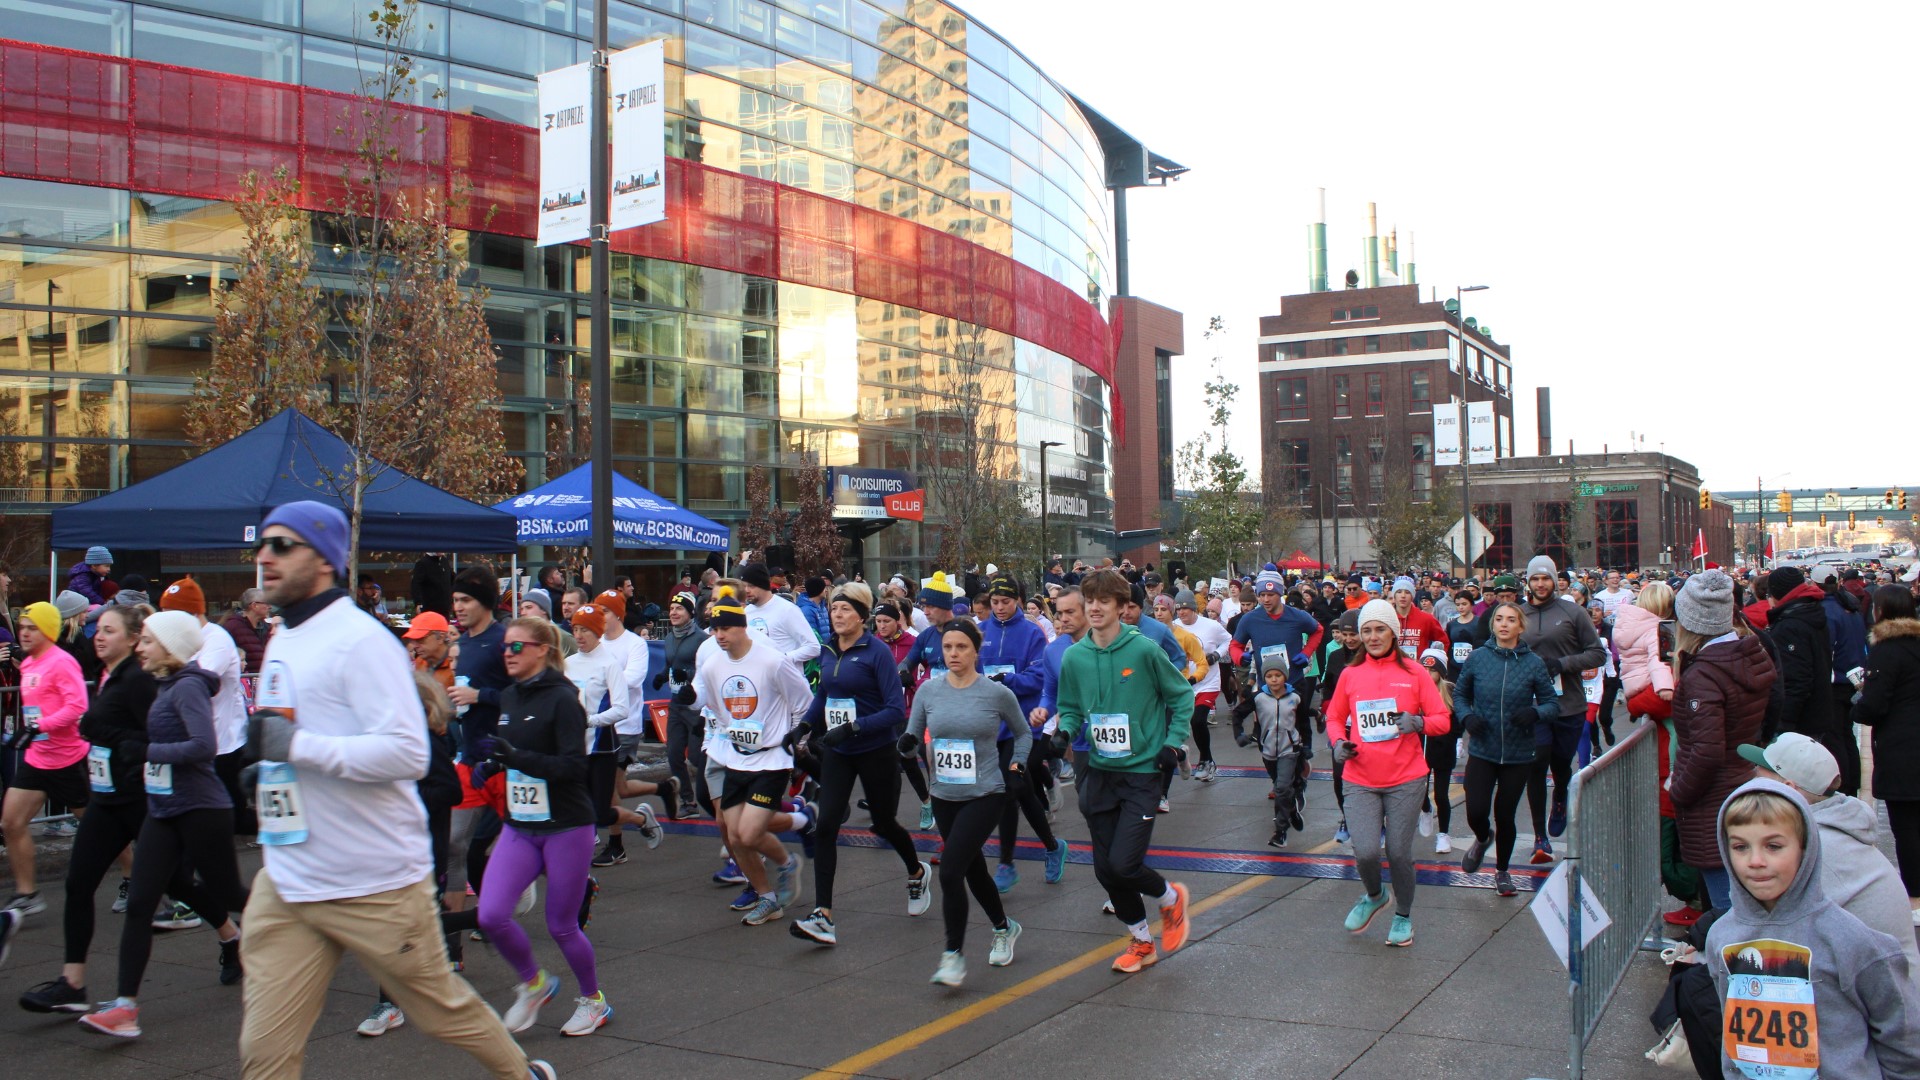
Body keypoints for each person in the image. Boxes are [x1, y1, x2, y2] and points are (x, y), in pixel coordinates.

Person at [236, 502, 552, 1080]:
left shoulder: (361, 640)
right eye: (263, 544)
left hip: (373, 880)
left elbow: (406, 752)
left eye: (283, 545)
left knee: (442, 1012)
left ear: (325, 559)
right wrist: (269, 771)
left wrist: (295, 748)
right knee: (264, 1052)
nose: (265, 557)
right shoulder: (283, 638)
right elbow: (291, 739)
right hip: (289, 879)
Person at [76, 609, 249, 1037]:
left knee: (229, 893)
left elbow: (203, 747)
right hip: (163, 809)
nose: (140, 647)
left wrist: (149, 751)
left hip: (200, 809)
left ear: (170, 647)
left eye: (148, 641)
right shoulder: (163, 684)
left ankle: (303, 913)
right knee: (140, 903)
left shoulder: (188, 686)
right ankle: (125, 1008)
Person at [1705, 780, 1920, 1079]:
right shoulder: (1721, 937)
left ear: (1805, 848)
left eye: (1774, 846)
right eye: (1740, 847)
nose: (1755, 861)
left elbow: (1903, 1036)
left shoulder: (1850, 940)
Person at [471, 617, 611, 1038]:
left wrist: (513, 757)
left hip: (566, 826)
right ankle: (534, 984)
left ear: (542, 650)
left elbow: (573, 767)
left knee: (561, 925)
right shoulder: (511, 696)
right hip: (520, 825)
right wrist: (493, 763)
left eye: (516, 647)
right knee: (491, 915)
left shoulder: (564, 700)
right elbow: (520, 754)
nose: (507, 654)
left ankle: (594, 1001)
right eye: (505, 647)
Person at [1050, 568, 1193, 974]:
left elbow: (1181, 696)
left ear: (1121, 607)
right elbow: (1072, 708)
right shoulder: (1075, 657)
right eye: (1089, 601)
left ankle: (1169, 899)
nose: (1094, 608)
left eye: (1103, 601)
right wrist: (1065, 733)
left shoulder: (1144, 650)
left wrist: (1173, 743)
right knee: (1104, 869)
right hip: (1099, 772)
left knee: (1124, 864)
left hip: (1142, 773)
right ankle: (1142, 941)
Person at [18, 605, 158, 1014]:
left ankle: (228, 933)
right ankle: (72, 984)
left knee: (181, 884)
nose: (98, 636)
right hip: (105, 798)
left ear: (132, 639)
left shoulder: (137, 681)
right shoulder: (106, 675)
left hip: (137, 798)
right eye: (98, 629)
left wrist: (97, 730)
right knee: (78, 883)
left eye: (109, 631)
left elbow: (153, 737)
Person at [789, 582, 933, 947]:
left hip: (875, 750)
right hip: (839, 752)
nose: (837, 616)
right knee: (826, 825)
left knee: (884, 824)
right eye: (834, 610)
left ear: (862, 617)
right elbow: (824, 693)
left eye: (845, 611)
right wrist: (805, 725)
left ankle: (916, 871)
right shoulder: (827, 649)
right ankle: (824, 916)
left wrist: (853, 727)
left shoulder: (877, 654)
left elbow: (893, 710)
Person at [901, 618, 1025, 986]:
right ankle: (1004, 927)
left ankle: (952, 954)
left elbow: (1022, 733)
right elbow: (911, 734)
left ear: (975, 650)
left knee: (951, 871)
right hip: (944, 794)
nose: (953, 654)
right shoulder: (929, 691)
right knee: (973, 870)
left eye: (961, 647)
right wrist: (905, 746)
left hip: (986, 793)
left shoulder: (995, 693)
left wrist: (1017, 764)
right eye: (948, 648)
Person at [1323, 599, 1451, 946]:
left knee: (1397, 853)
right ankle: (1376, 895)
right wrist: (1337, 743)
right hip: (1359, 777)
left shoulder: (1414, 673)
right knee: (1364, 851)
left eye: (1380, 629)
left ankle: (1403, 915)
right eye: (1367, 631)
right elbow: (1334, 717)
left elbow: (1442, 720)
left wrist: (1417, 722)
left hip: (1406, 779)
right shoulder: (1351, 673)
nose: (1373, 636)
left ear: (1393, 632)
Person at [1737, 732, 1920, 969]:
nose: (1751, 782)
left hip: (1875, 996)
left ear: (1789, 789)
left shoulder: (1815, 848)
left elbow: (1771, 935)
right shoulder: (1832, 823)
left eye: (1760, 775)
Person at [693, 586, 812, 927]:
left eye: (725, 628)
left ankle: (788, 863)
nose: (719, 636)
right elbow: (714, 706)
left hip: (772, 759)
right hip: (737, 759)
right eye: (714, 629)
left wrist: (794, 734)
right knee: (733, 836)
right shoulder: (714, 665)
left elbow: (802, 700)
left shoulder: (773, 660)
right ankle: (768, 897)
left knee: (747, 832)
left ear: (742, 626)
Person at [1668, 569, 1775, 913]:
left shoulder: (1704, 675)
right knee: (1742, 902)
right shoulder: (1746, 653)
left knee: (1728, 907)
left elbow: (1707, 751)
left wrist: (1679, 791)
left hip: (1713, 798)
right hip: (1740, 781)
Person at [1452, 601, 1559, 896]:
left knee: (1505, 814)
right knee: (1476, 810)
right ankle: (1483, 837)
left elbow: (1552, 703)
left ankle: (1502, 871)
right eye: (1499, 619)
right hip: (1483, 748)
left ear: (1520, 627)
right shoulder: (1478, 658)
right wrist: (1467, 717)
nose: (1504, 624)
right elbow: (1460, 694)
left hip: (1518, 752)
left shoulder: (1533, 663)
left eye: (1511, 620)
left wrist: (1535, 713)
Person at [4, 600, 91, 916]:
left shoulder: (62, 662)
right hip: (38, 758)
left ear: (49, 631)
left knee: (101, 829)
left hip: (68, 760)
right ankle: (27, 893)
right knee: (11, 822)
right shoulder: (28, 663)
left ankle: (133, 877)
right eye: (23, 627)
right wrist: (31, 729)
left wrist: (40, 725)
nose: (24, 633)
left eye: (32, 628)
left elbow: (77, 706)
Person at [1519, 555, 1607, 863]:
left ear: (1555, 581)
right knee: (1535, 763)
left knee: (1560, 763)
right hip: (1533, 706)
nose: (1540, 584)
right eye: (1535, 579)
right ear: (1528, 582)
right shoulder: (1517, 614)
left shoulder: (1573, 612)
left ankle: (1559, 795)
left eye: (1546, 578)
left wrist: (1562, 664)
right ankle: (1540, 838)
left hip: (1568, 704)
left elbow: (1597, 654)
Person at [976, 574, 1060, 892]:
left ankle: (1007, 864)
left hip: (1021, 724)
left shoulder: (1032, 632)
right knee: (1018, 788)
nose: (999, 608)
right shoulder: (980, 631)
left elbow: (1038, 677)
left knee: (1008, 787)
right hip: (987, 724)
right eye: (994, 602)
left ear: (1018, 602)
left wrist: (1006, 681)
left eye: (1005, 602)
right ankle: (1052, 847)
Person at [160, 578, 254, 840]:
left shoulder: (217, 640)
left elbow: (198, 681)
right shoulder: (177, 641)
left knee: (225, 819)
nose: (166, 621)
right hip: (192, 739)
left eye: (171, 615)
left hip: (221, 742)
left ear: (193, 613)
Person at [1848, 584, 1920, 923]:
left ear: (1881, 611)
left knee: (1907, 828)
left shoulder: (1886, 650)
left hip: (1902, 748)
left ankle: (1916, 897)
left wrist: (1858, 703)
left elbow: (1874, 707)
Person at [1231, 654, 1302, 847]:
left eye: (1278, 675)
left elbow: (1303, 721)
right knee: (1281, 788)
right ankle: (1292, 809)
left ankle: (1280, 831)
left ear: (1284, 677)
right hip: (1268, 750)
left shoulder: (1295, 697)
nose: (1274, 679)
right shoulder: (1259, 698)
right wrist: (1239, 735)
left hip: (1290, 750)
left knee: (1281, 788)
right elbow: (1237, 714)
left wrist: (1307, 746)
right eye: (1269, 676)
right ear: (1265, 678)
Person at [659, 591, 709, 817]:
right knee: (673, 754)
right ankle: (689, 802)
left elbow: (706, 671)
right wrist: (662, 676)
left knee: (697, 757)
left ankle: (716, 790)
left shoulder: (701, 639)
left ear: (690, 612)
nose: (673, 612)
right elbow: (670, 665)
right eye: (671, 609)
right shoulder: (669, 638)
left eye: (679, 608)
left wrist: (686, 674)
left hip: (695, 706)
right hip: (676, 704)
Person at [738, 563, 821, 670]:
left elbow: (813, 647)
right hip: (758, 681)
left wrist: (783, 658)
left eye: (751, 585)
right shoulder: (746, 612)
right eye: (744, 586)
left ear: (763, 584)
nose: (746, 590)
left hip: (786, 681)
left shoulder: (787, 610)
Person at [224, 588, 272, 673]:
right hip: (243, 683)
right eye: (266, 603)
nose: (270, 607)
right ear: (254, 605)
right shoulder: (233, 627)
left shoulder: (268, 628)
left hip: (263, 681)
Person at [411, 553, 455, 618]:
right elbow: (416, 585)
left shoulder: (444, 561)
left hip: (445, 608)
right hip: (430, 609)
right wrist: (418, 603)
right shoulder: (422, 563)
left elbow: (451, 579)